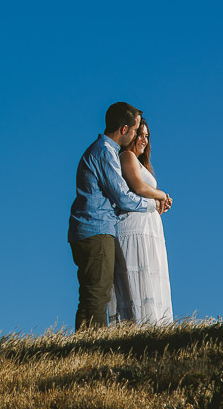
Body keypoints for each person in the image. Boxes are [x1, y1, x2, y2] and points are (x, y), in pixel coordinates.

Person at [68, 102, 172, 330]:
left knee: (95, 292)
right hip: (96, 229)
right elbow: (123, 196)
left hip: (92, 228)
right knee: (97, 294)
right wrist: (153, 204)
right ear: (124, 129)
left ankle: (87, 344)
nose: (137, 136)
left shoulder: (105, 151)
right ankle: (89, 348)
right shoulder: (105, 152)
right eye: (135, 130)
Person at [107, 118, 174, 325]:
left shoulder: (140, 162)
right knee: (139, 272)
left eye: (147, 136)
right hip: (134, 226)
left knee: (151, 275)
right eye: (140, 134)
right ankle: (138, 324)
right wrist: (162, 195)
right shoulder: (127, 156)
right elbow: (137, 186)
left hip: (148, 226)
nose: (144, 140)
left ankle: (152, 324)